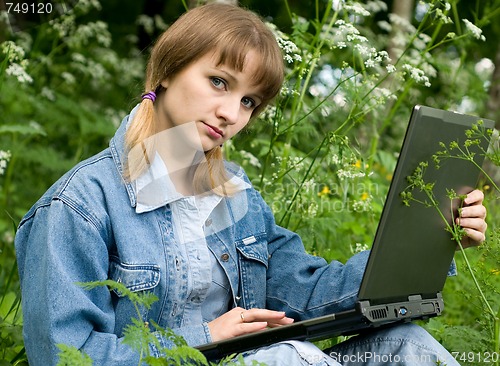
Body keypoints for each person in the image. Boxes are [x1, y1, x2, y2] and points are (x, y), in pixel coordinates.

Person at [15, 3, 487, 366]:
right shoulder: (78, 205)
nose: (231, 114)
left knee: (407, 346)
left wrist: (428, 237)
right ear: (166, 69)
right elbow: (64, 354)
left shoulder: (236, 196)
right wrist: (202, 339)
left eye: (250, 102)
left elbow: (309, 294)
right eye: (219, 82)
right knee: (282, 358)